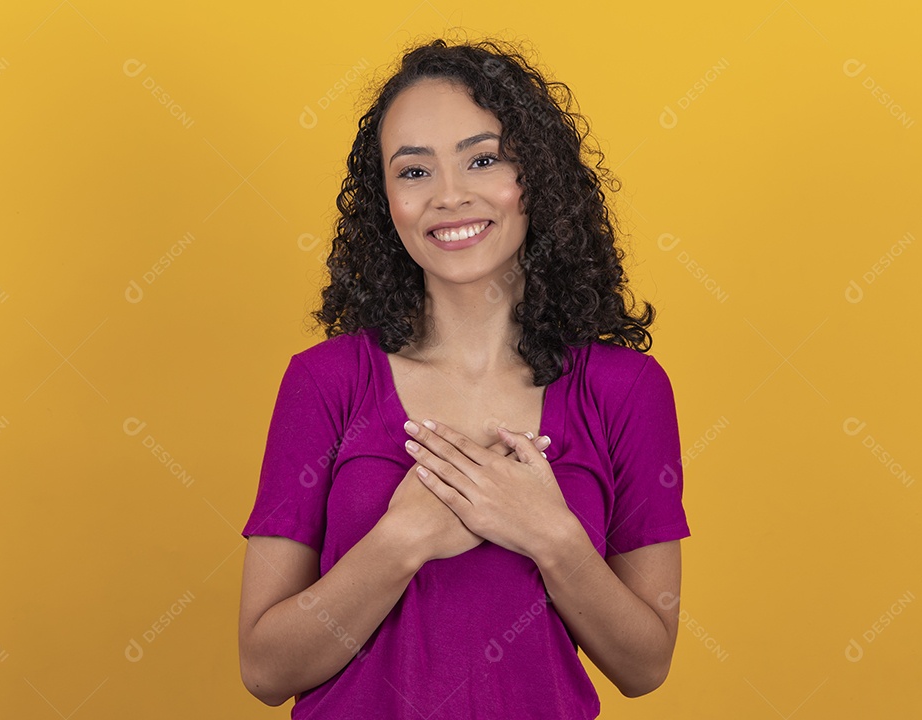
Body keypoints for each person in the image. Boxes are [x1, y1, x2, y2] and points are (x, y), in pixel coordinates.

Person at [238, 36, 691, 719]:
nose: (449, 197)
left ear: (535, 178)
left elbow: (644, 664)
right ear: (385, 201)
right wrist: (401, 540)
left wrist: (550, 534)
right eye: (414, 172)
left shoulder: (626, 391)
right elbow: (266, 669)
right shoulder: (324, 382)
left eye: (483, 160)